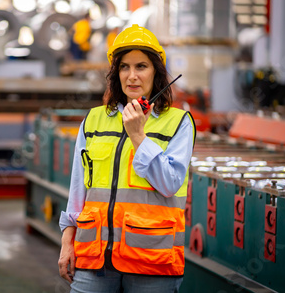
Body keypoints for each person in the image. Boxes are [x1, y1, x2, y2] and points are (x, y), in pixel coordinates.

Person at [58, 24, 196, 293]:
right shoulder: (94, 120)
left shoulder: (179, 123)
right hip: (94, 261)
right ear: (115, 73)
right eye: (124, 67)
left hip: (151, 263)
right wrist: (67, 241)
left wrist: (138, 137)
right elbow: (79, 189)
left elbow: (169, 184)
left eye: (141, 66)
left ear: (156, 72)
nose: (132, 76)